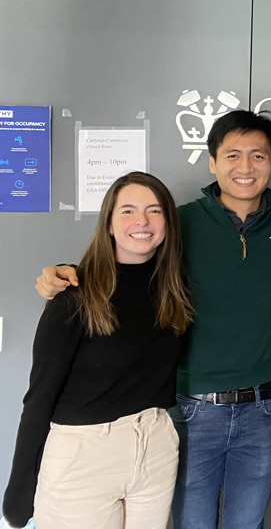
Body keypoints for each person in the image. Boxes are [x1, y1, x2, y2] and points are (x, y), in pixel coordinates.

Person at [33, 110, 271, 529]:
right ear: (212, 162)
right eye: (232, 155)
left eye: (258, 156)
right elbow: (125, 265)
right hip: (192, 411)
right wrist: (66, 273)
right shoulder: (179, 222)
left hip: (265, 409)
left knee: (247, 524)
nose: (244, 168)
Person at [4, 172, 191, 529]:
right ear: (108, 223)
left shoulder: (174, 294)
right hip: (83, 454)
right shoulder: (74, 298)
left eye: (154, 211)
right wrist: (20, 487)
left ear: (168, 223)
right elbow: (40, 396)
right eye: (128, 211)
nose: (142, 221)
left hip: (154, 444)